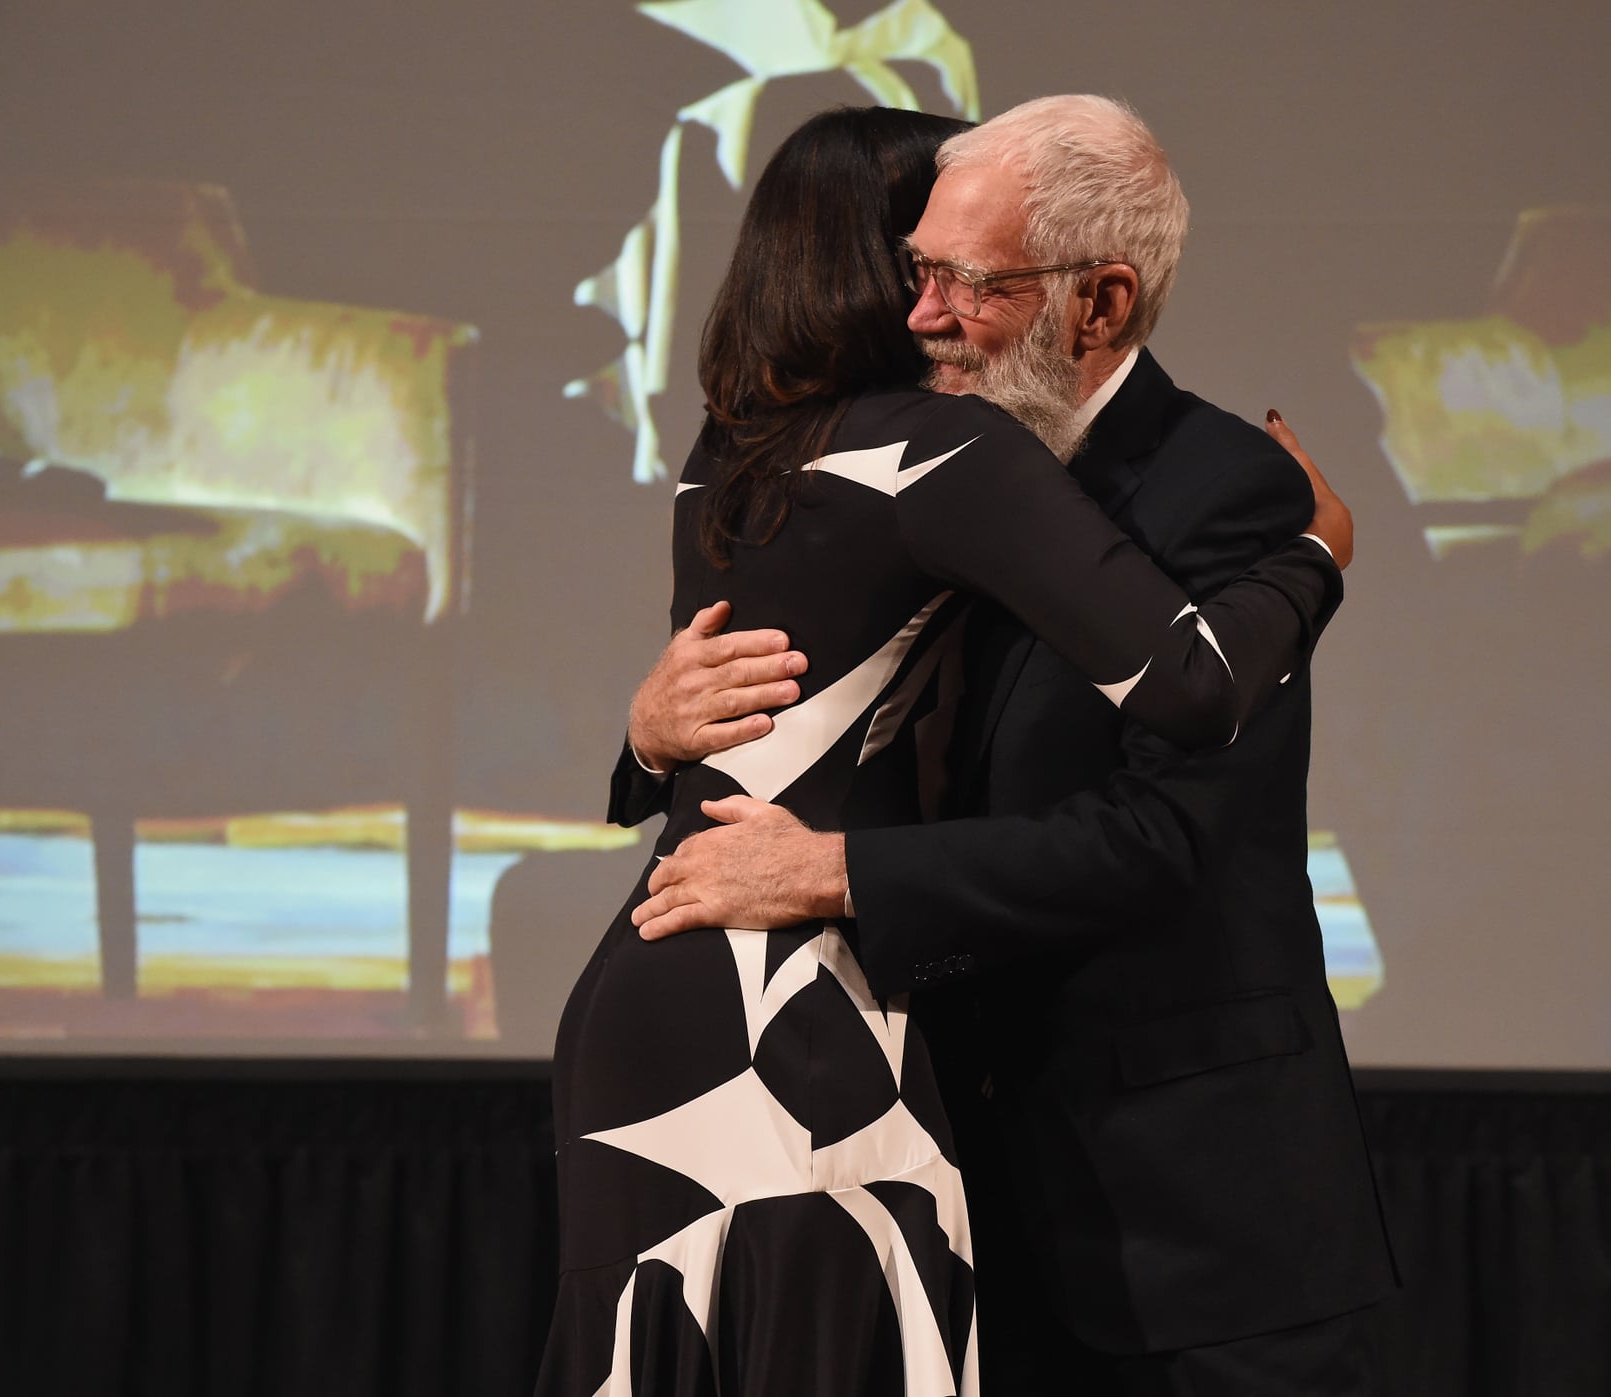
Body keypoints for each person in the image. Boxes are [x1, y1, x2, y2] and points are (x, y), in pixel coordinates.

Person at [540, 104, 1350, 1397]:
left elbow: (746, 715)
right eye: (926, 265)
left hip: (650, 996)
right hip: (789, 1017)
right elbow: (1194, 682)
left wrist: (646, 745)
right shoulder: (940, 451)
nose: (936, 305)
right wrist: (1316, 557)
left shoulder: (723, 454)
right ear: (878, 266)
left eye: (964, 276)